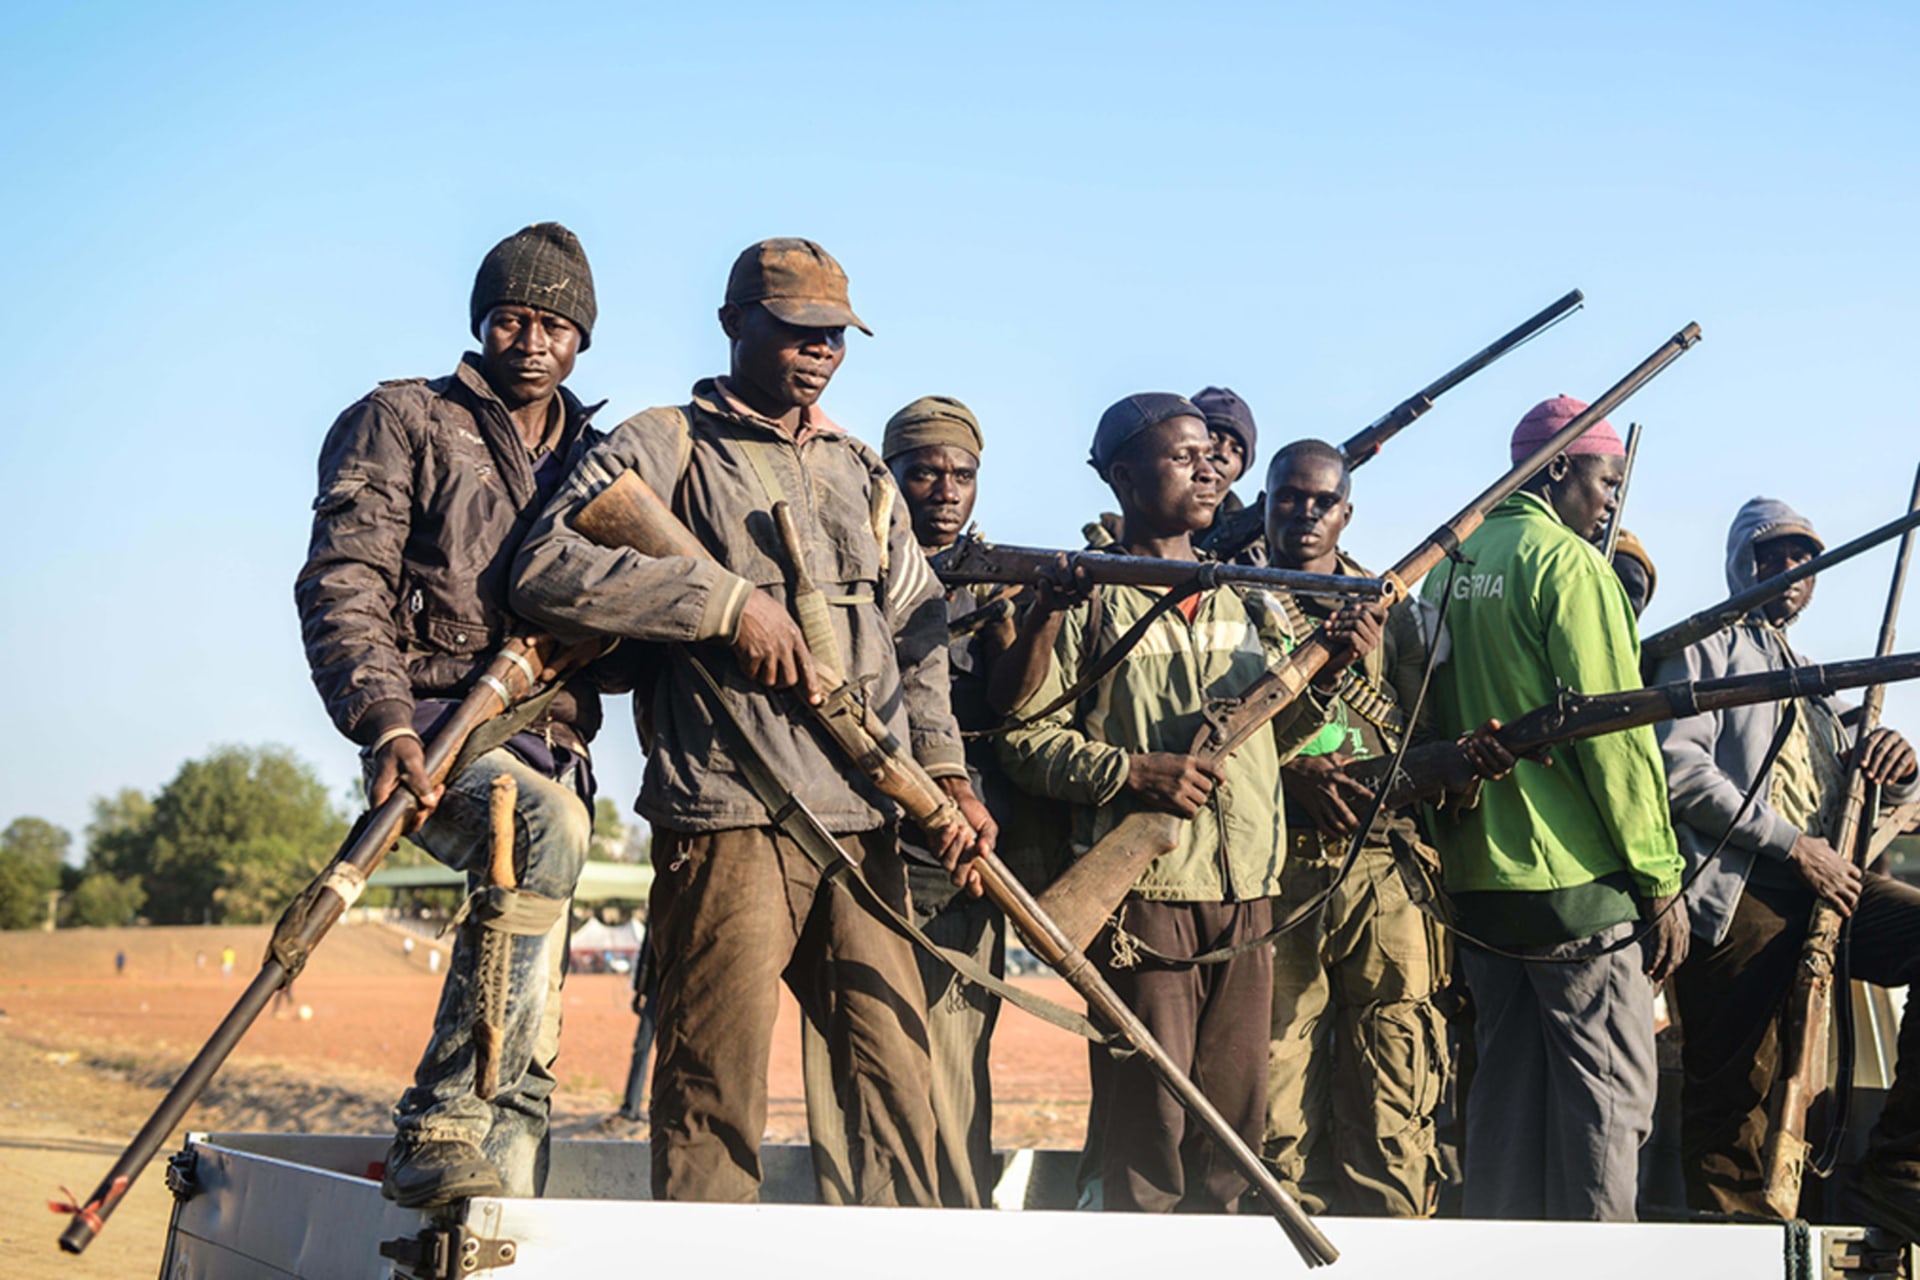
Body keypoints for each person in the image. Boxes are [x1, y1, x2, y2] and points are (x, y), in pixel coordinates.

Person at [510, 238, 992, 1206]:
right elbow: (544, 568)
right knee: (712, 1088)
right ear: (735, 324)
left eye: (834, 336)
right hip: (731, 815)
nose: (820, 351)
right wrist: (721, 605)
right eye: (797, 330)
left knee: (896, 1087)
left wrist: (946, 773)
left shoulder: (861, 468)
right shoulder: (664, 444)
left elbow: (919, 634)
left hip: (868, 820)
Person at [999, 393, 1380, 1213]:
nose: (1209, 468)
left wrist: (1334, 668)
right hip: (1150, 899)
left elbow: (1281, 739)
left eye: (1213, 454)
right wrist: (1134, 774)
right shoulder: (1089, 596)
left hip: (1248, 892)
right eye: (1183, 457)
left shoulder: (1250, 596)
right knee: (1150, 1130)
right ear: (1125, 477)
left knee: (1234, 1134)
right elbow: (1024, 742)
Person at [294, 223, 607, 1208]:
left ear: (581, 342)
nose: (530, 337)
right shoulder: (404, 418)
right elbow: (344, 580)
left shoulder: (603, 460)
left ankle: (488, 1232)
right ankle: (435, 1123)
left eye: (555, 322)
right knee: (540, 829)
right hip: (435, 739)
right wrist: (385, 720)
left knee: (527, 1047)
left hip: (555, 750)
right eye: (512, 315)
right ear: (480, 319)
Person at [1418, 395, 1688, 1221]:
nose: (1611, 503)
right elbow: (1618, 740)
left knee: (1505, 1111)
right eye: (1608, 481)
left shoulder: (1447, 566)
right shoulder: (1570, 567)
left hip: (1480, 886)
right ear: (1562, 466)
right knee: (1606, 1112)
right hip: (1577, 889)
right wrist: (1660, 874)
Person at [1655, 498, 1920, 1225]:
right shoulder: (1702, 647)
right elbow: (1682, 772)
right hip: (1743, 891)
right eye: (1772, 556)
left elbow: (1848, 781)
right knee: (1735, 1092)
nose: (1790, 571)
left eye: (1804, 559)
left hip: (1829, 885)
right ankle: (1732, 1250)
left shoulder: (1811, 675)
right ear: (1743, 564)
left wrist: (1894, 764)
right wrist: (1793, 846)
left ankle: (1901, 1163)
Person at [803, 395, 1009, 1207]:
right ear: (889, 476)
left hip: (955, 868)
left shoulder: (996, 577)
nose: (945, 490)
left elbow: (1018, 712)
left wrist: (1028, 618)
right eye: (923, 471)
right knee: (845, 1076)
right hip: (853, 853)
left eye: (962, 474)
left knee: (954, 1087)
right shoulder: (846, 569)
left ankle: (956, 1239)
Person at [1260, 439, 1450, 1217]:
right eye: (1289, 498)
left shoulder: (1395, 612)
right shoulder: (1236, 600)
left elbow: (1425, 731)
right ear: (1266, 503)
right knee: (1274, 1089)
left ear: (1346, 512)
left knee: (1395, 1081)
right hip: (1277, 867)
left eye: (1321, 501)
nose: (1305, 514)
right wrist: (1283, 770)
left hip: (1382, 866)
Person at [1193, 385, 1267, 565]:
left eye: (1236, 450)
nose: (1223, 454)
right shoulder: (1122, 531)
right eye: (1213, 438)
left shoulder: (1256, 546)